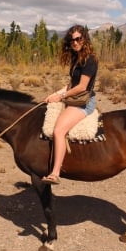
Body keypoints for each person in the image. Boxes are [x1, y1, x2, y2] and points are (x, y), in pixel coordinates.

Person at [42, 24, 98, 184]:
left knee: (59, 130)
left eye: (78, 39)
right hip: (74, 96)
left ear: (85, 39)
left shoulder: (90, 60)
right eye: (71, 40)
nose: (74, 42)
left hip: (83, 102)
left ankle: (55, 173)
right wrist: (56, 93)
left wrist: (62, 96)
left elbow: (81, 87)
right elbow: (72, 84)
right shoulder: (77, 58)